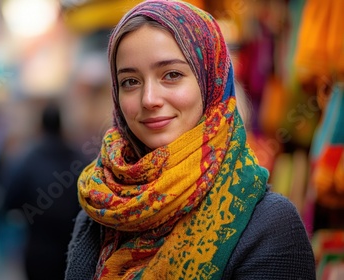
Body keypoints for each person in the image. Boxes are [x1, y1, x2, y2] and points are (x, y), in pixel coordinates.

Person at [65, 1, 316, 279]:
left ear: (212, 81)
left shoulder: (270, 224)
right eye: (130, 81)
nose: (149, 99)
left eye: (171, 75)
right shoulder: (99, 210)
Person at [0, 101, 89, 280]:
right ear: (62, 126)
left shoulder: (27, 160)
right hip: (73, 251)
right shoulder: (80, 161)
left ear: (41, 125)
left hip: (37, 252)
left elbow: (9, 201)